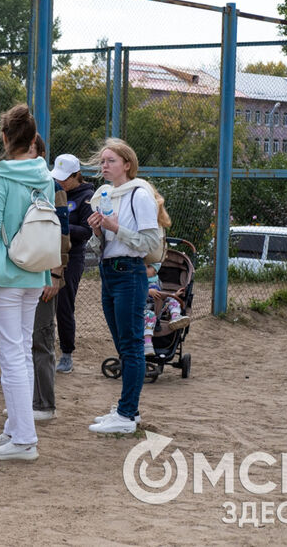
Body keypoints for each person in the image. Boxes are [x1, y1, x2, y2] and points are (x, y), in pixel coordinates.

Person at [0, 104, 54, 462]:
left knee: (12, 356)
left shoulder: (1, 175)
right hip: (35, 271)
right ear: (33, 139)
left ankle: (23, 439)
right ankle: (16, 430)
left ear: (5, 138)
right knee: (19, 352)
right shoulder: (45, 175)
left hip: (5, 273)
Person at [86, 138, 169, 434]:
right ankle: (127, 409)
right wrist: (98, 230)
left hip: (130, 272)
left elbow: (149, 242)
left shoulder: (139, 194)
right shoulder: (104, 194)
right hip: (109, 272)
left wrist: (115, 228)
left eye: (110, 161)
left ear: (127, 165)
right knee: (123, 345)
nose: (104, 166)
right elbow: (99, 246)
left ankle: (125, 414)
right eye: (102, 161)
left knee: (132, 345)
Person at [30, 136, 70, 422]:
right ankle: (27, 401)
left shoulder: (53, 187)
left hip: (44, 273)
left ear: (41, 153)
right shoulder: (11, 180)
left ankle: (45, 404)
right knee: (21, 342)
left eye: (28, 148)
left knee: (42, 338)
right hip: (18, 275)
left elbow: (62, 235)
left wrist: (55, 274)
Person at [52, 154, 94, 374]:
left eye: (65, 179)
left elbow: (86, 232)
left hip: (72, 258)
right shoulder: (52, 190)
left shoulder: (86, 197)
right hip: (48, 255)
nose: (60, 183)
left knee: (64, 306)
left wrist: (60, 224)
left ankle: (66, 354)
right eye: (58, 178)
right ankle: (44, 351)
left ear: (77, 175)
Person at [143, 263, 188, 354]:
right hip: (144, 309)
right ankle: (147, 344)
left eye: (148, 267)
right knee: (150, 316)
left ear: (155, 271)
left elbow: (162, 295)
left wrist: (174, 295)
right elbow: (134, 293)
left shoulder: (158, 281)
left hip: (158, 308)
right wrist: (147, 291)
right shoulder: (139, 280)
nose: (144, 268)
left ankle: (175, 317)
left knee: (173, 300)